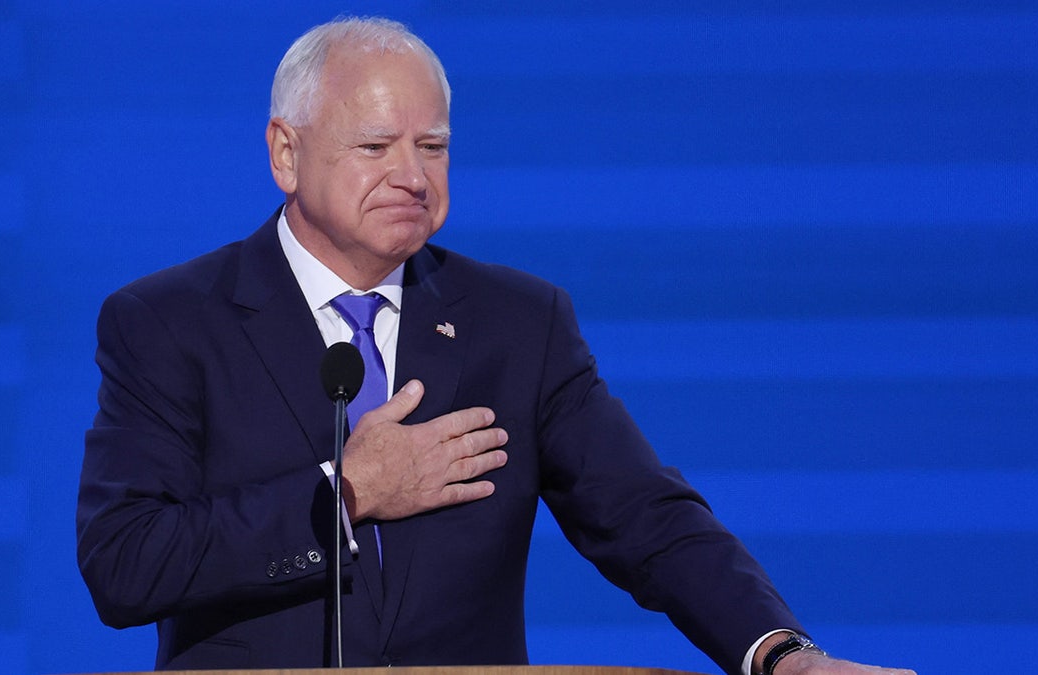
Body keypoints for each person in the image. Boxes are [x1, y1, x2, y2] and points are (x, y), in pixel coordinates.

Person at [77, 17, 915, 675]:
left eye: (433, 147)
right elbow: (125, 563)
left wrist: (781, 653)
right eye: (375, 146)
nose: (413, 176)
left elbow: (646, 517)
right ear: (285, 153)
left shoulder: (518, 323)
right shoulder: (169, 322)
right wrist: (346, 493)